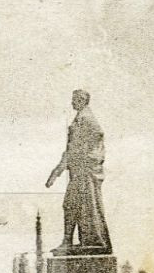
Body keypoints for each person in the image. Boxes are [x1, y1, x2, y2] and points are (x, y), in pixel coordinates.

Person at [45, 89, 110, 251]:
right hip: (79, 171)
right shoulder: (80, 118)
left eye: (75, 99)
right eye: (73, 99)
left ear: (83, 100)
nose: (72, 102)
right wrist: (58, 170)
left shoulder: (87, 119)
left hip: (85, 172)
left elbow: (96, 138)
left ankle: (87, 242)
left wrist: (61, 169)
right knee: (71, 204)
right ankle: (68, 241)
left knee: (75, 205)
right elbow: (72, 148)